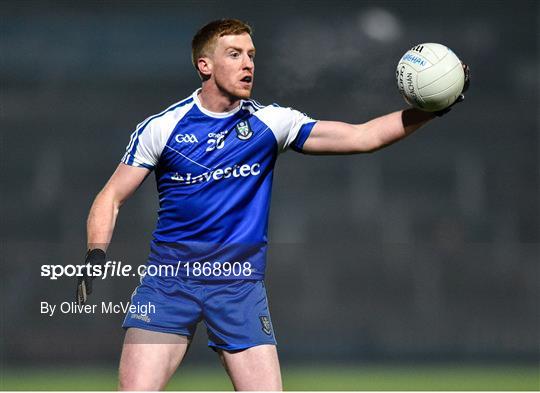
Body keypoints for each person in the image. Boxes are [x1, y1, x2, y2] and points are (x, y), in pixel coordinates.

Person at [77, 19, 469, 391]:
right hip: (169, 285)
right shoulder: (162, 127)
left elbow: (362, 136)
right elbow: (110, 197)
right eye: (234, 54)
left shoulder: (272, 122)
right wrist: (96, 254)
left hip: (238, 287)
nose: (248, 63)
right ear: (205, 65)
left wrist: (429, 111)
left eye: (251, 55)